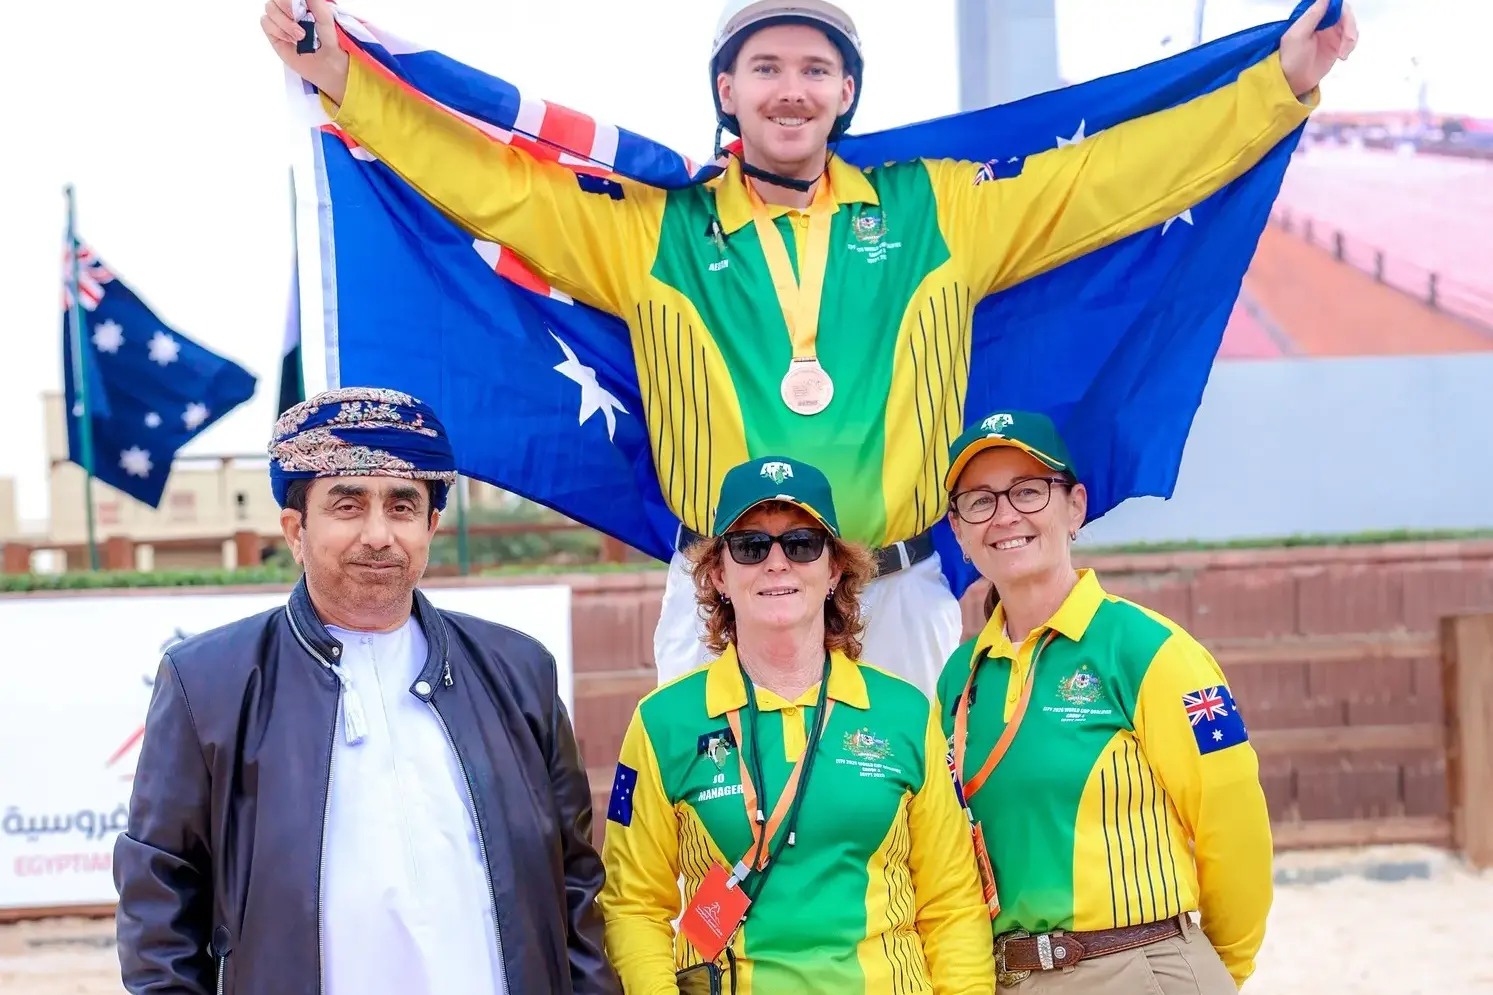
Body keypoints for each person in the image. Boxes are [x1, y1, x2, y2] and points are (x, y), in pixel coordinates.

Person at [259, 0, 1358, 694]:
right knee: (716, 852)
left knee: (920, 856)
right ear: (727, 92)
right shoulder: (653, 232)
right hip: (720, 585)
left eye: (815, 68)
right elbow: (490, 187)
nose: (791, 86)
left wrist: (1279, 87)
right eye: (766, 66)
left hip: (893, 590)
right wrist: (348, 81)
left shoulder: (937, 212)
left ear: (844, 93)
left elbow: (1109, 183)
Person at [113, 386, 619, 995]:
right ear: (296, 529)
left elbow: (576, 887)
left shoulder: (518, 672)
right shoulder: (208, 683)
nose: (379, 534)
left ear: (431, 525)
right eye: (348, 505)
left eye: (402, 507)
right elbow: (160, 908)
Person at [598, 455, 994, 993]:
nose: (777, 563)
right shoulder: (660, 723)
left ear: (834, 570)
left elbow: (951, 903)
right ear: (719, 574)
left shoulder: (906, 713)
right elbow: (634, 906)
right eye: (751, 546)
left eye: (803, 543)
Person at [933, 411, 1273, 993]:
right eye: (979, 501)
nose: (1005, 515)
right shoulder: (959, 678)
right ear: (960, 532)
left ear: (1075, 507)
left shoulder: (1150, 650)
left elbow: (1233, 823)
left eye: (1029, 490)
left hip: (1136, 965)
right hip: (1006, 976)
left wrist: (1215, 971)